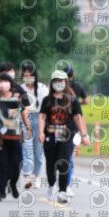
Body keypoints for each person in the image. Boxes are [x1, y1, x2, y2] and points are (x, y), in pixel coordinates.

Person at [39, 70, 90, 204]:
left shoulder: (72, 100)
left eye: (62, 81)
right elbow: (42, 117)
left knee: (64, 161)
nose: (59, 84)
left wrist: (84, 134)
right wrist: (41, 132)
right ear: (52, 83)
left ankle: (62, 191)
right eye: (56, 81)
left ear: (66, 82)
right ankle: (51, 185)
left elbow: (78, 117)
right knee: (51, 162)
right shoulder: (47, 100)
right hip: (51, 134)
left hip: (67, 134)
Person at [0, 73, 31, 201]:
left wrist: (28, 127)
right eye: (0, 81)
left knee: (17, 163)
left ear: (11, 84)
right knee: (1, 163)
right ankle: (2, 191)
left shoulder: (18, 99)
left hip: (15, 136)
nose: (2, 84)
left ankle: (13, 183)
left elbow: (25, 113)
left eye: (5, 81)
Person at [20, 64, 48, 189]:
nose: (27, 77)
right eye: (25, 75)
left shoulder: (42, 88)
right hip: (24, 117)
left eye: (30, 75)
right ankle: (27, 176)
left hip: (39, 118)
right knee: (26, 148)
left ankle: (36, 175)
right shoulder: (20, 88)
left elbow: (46, 107)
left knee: (38, 150)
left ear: (34, 76)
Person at [63, 65, 88, 197]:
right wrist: (78, 104)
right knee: (68, 158)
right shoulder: (77, 87)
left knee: (67, 156)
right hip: (72, 124)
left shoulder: (59, 88)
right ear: (73, 75)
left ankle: (64, 184)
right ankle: (65, 184)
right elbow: (86, 100)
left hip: (70, 125)